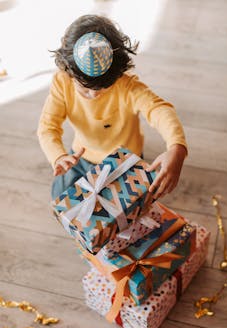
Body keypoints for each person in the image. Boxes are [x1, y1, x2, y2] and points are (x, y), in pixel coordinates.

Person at [37, 14, 188, 200]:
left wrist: (176, 147)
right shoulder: (62, 82)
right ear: (68, 71)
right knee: (60, 196)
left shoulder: (127, 86)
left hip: (124, 159)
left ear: (117, 73)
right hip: (82, 156)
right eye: (85, 88)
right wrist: (58, 156)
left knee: (133, 203)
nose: (94, 95)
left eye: (103, 88)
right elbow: (47, 127)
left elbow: (159, 109)